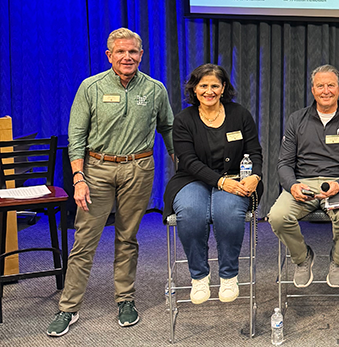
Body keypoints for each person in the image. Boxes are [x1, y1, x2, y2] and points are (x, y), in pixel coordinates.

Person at [46, 28, 174, 337]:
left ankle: (125, 300)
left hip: (139, 170)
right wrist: (78, 178)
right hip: (97, 171)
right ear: (109, 55)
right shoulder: (91, 88)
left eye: (133, 52)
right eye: (121, 52)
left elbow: (168, 129)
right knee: (84, 242)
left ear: (141, 55)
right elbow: (76, 138)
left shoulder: (156, 90)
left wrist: (182, 166)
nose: (127, 57)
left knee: (127, 239)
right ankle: (69, 307)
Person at [162, 64, 263, 305]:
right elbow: (187, 160)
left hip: (237, 178)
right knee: (191, 211)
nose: (209, 91)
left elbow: (254, 152)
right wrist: (219, 181)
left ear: (223, 88)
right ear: (194, 89)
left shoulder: (240, 114)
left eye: (215, 85)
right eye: (203, 86)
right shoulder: (184, 120)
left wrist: (255, 175)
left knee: (227, 211)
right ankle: (199, 277)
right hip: (192, 179)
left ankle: (229, 276)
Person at [268, 65, 339, 289]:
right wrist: (292, 185)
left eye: (331, 85)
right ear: (312, 90)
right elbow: (284, 163)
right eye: (320, 86)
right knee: (277, 216)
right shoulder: (297, 119)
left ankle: (337, 261)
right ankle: (303, 260)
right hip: (303, 183)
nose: (326, 91)